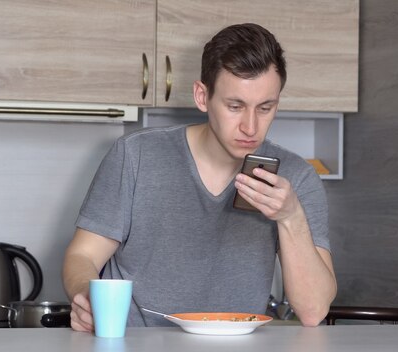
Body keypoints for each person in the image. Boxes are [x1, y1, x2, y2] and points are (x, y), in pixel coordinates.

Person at [62, 22, 336, 330]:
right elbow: (83, 255)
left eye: (265, 108)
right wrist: (86, 297)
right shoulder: (136, 155)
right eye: (235, 106)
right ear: (202, 96)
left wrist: (290, 217)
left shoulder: (295, 177)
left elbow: (313, 311)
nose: (250, 126)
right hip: (135, 342)